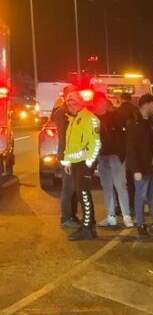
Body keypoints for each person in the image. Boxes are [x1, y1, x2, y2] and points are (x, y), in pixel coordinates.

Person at [126, 94, 153, 239]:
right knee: (140, 196)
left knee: (152, 196)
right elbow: (131, 148)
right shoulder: (133, 123)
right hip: (140, 168)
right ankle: (141, 225)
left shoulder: (148, 121)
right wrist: (135, 170)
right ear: (147, 104)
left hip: (150, 166)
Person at [60, 91, 101, 241]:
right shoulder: (73, 119)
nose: (71, 106)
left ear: (82, 102)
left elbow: (95, 143)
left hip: (83, 164)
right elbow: (70, 144)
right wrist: (67, 161)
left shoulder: (90, 119)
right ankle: (88, 225)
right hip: (76, 164)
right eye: (69, 103)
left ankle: (87, 227)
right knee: (81, 195)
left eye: (74, 103)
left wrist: (89, 163)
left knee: (84, 195)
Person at [93, 92, 134, 228]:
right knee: (107, 186)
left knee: (120, 185)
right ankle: (111, 216)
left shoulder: (116, 116)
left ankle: (126, 215)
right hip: (101, 155)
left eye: (101, 102)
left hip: (116, 155)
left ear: (105, 102)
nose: (99, 105)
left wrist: (124, 152)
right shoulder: (92, 119)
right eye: (97, 102)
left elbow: (125, 134)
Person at [52, 85, 80, 228]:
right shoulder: (62, 113)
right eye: (72, 94)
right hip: (66, 155)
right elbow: (64, 137)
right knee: (68, 188)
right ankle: (66, 218)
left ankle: (72, 215)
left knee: (74, 187)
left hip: (73, 154)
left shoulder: (72, 111)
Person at [116, 92, 140, 212]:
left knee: (119, 180)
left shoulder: (117, 112)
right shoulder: (136, 111)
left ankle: (120, 206)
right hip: (134, 149)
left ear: (120, 99)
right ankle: (133, 204)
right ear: (130, 99)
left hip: (120, 150)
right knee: (132, 180)